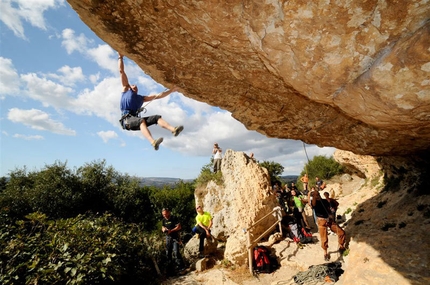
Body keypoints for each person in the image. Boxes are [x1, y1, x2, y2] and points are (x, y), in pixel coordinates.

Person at [118, 53, 184, 150]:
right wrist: (120, 57)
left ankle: (173, 130)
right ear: (129, 87)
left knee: (156, 117)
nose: (135, 86)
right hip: (127, 120)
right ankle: (153, 142)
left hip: (134, 119)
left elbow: (157, 96)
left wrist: (171, 91)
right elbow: (121, 71)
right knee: (141, 121)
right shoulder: (125, 90)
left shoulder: (141, 98)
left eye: (136, 86)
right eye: (133, 85)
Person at [310, 190, 346, 261]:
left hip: (329, 219)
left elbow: (330, 207)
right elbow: (313, 203)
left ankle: (341, 246)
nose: (317, 196)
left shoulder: (324, 201)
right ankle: (325, 253)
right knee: (324, 238)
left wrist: (331, 213)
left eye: (318, 194)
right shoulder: (314, 203)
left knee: (341, 232)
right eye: (315, 195)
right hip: (321, 221)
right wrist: (314, 195)